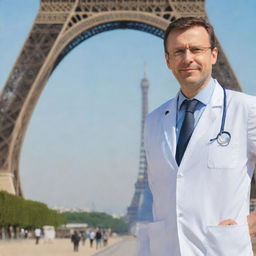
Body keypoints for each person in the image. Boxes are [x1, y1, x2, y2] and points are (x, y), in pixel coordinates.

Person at [137, 16, 256, 256]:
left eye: (196, 49)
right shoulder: (154, 121)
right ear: (168, 60)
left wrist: (251, 224)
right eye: (179, 51)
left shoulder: (247, 110)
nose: (188, 58)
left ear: (213, 55)